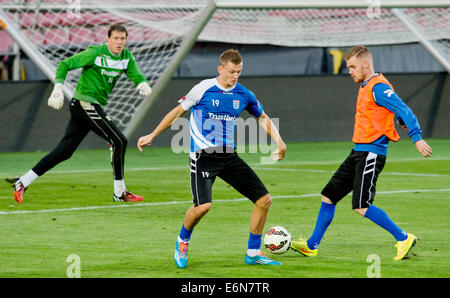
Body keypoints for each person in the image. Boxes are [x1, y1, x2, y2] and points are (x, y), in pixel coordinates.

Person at [137, 49, 287, 268]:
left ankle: (253, 253)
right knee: (203, 206)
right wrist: (152, 134)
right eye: (231, 71)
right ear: (220, 69)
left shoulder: (244, 94)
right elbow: (177, 112)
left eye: (238, 72)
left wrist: (279, 141)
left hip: (229, 155)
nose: (235, 76)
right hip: (203, 156)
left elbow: (262, 117)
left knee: (264, 200)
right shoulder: (203, 89)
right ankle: (182, 240)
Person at [291, 46, 432, 261]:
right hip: (358, 151)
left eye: (353, 66)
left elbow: (404, 109)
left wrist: (417, 137)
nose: (350, 71)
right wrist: (400, 121)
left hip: (371, 154)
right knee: (328, 196)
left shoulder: (378, 87)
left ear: (366, 64)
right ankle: (311, 245)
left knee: (361, 205)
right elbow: (392, 111)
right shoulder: (368, 84)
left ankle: (403, 237)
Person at [6, 24, 152, 203]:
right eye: (116, 38)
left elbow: (135, 74)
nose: (119, 42)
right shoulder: (95, 53)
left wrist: (142, 83)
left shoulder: (126, 57)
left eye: (123, 38)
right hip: (84, 103)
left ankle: (23, 181)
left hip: (89, 106)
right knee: (119, 140)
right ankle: (119, 192)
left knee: (64, 152)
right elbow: (65, 64)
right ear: (108, 39)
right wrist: (58, 88)